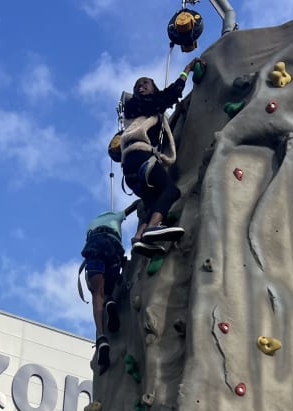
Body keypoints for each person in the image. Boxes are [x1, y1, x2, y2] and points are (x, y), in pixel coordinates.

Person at [120, 57, 203, 255]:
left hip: (131, 169)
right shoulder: (136, 104)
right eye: (138, 86)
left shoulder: (149, 112)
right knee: (171, 191)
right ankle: (152, 228)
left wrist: (178, 113)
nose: (140, 87)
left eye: (144, 83)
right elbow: (169, 95)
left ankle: (139, 238)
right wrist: (187, 70)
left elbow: (162, 132)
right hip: (140, 157)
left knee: (153, 202)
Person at [81, 201, 139, 373]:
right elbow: (133, 206)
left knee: (97, 293)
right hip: (113, 246)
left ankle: (101, 337)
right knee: (110, 285)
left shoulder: (91, 226)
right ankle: (111, 301)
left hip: (94, 246)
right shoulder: (116, 216)